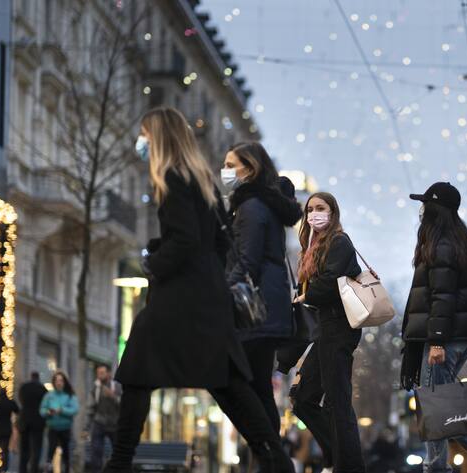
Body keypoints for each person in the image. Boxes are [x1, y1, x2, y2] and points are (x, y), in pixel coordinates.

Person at [102, 107, 292, 473]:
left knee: (138, 370)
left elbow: (185, 239)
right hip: (206, 297)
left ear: (158, 137)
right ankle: (276, 459)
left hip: (181, 297)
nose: (140, 142)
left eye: (145, 134)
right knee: (228, 382)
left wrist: (153, 263)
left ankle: (119, 462)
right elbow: (218, 242)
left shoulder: (172, 177)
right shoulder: (201, 179)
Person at [399, 182, 467, 473]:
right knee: (434, 399)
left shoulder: (442, 246)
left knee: (438, 403)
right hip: (455, 334)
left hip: (445, 337)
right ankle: (436, 466)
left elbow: (443, 297)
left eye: (426, 205)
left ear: (436, 210)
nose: (422, 211)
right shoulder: (455, 242)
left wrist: (436, 341)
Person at [221, 142, 303, 433]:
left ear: (251, 168)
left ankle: (269, 454)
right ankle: (270, 456)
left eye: (231, 165)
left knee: (232, 381)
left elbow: (247, 260)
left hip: (254, 309)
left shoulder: (252, 206)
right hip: (266, 307)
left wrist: (222, 296)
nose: (225, 171)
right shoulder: (260, 204)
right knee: (258, 388)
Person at [290, 192, 366, 472]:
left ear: (333, 212)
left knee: (337, 401)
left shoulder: (339, 242)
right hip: (325, 328)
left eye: (320, 208)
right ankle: (337, 457)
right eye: (310, 209)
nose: (314, 214)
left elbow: (330, 283)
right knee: (302, 399)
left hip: (339, 328)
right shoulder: (314, 246)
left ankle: (347, 466)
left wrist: (306, 294)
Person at [40, 371, 79, 473]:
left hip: (65, 428)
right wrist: (48, 412)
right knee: (50, 452)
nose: (59, 383)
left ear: (64, 382)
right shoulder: (49, 396)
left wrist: (62, 410)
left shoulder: (70, 395)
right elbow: (42, 410)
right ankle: (48, 469)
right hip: (52, 428)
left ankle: (67, 469)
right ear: (53, 382)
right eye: (56, 380)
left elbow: (75, 410)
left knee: (66, 453)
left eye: (61, 380)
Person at [86, 364, 121, 473]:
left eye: (102, 373)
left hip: (114, 423)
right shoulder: (95, 388)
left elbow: (124, 405)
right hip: (99, 422)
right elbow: (90, 408)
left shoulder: (117, 386)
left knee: (118, 451)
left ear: (109, 374)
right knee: (96, 450)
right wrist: (86, 427)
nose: (100, 375)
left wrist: (113, 396)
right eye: (98, 373)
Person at [18, 372, 48, 473]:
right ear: (38, 378)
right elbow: (45, 404)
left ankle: (23, 470)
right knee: (36, 449)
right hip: (38, 422)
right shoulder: (42, 389)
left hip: (24, 421)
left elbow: (21, 400)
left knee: (24, 449)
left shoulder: (24, 388)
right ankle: (33, 470)